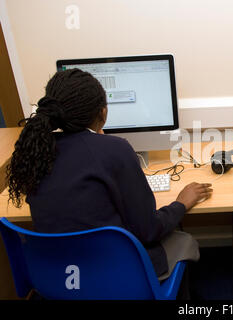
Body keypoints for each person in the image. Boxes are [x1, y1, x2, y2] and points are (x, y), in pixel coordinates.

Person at [7, 68, 212, 285]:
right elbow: (148, 231)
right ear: (103, 114)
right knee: (185, 240)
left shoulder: (35, 152)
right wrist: (180, 203)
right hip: (114, 275)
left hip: (57, 276)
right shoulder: (115, 150)